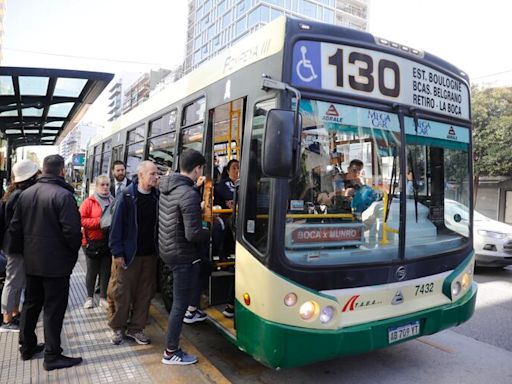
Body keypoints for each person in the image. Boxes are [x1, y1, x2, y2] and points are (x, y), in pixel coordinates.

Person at [7, 154, 82, 371]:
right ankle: (52, 355)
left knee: (31, 305)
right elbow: (72, 234)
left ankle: (27, 347)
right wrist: (70, 257)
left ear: (43, 169)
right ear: (61, 171)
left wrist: (28, 252)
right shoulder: (64, 196)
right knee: (53, 309)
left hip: (32, 263)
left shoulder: (26, 194)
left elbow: (15, 229)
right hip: (56, 266)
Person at [158, 149, 210, 365]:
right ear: (197, 168)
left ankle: (193, 309)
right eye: (201, 169)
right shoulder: (188, 194)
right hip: (181, 253)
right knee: (179, 305)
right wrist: (210, 227)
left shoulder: (168, 188)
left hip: (168, 248)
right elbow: (193, 234)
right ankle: (171, 352)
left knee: (201, 268)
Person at [107, 161, 159, 346]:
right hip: (129, 255)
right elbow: (116, 227)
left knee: (145, 294)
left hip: (149, 254)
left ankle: (136, 329)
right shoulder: (127, 196)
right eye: (152, 174)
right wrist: (117, 252)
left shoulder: (156, 196)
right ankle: (117, 328)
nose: (156, 177)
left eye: (156, 173)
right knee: (121, 292)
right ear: (142, 175)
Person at [0, 160, 39, 332]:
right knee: (13, 281)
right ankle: (7, 320)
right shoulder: (20, 196)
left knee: (16, 280)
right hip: (16, 246)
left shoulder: (14, 193)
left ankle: (14, 313)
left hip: (12, 244)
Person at [80, 175, 114, 310]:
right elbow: (81, 220)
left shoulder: (113, 200)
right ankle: (89, 297)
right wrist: (99, 223)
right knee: (92, 270)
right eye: (102, 185)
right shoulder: (89, 202)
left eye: (107, 185)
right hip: (92, 241)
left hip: (107, 241)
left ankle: (103, 297)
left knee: (106, 271)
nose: (105, 187)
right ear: (97, 186)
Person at [213, 159, 239, 318]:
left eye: (239, 168)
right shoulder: (223, 184)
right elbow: (228, 201)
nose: (237, 171)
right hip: (228, 217)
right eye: (234, 168)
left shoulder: (245, 182)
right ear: (228, 171)